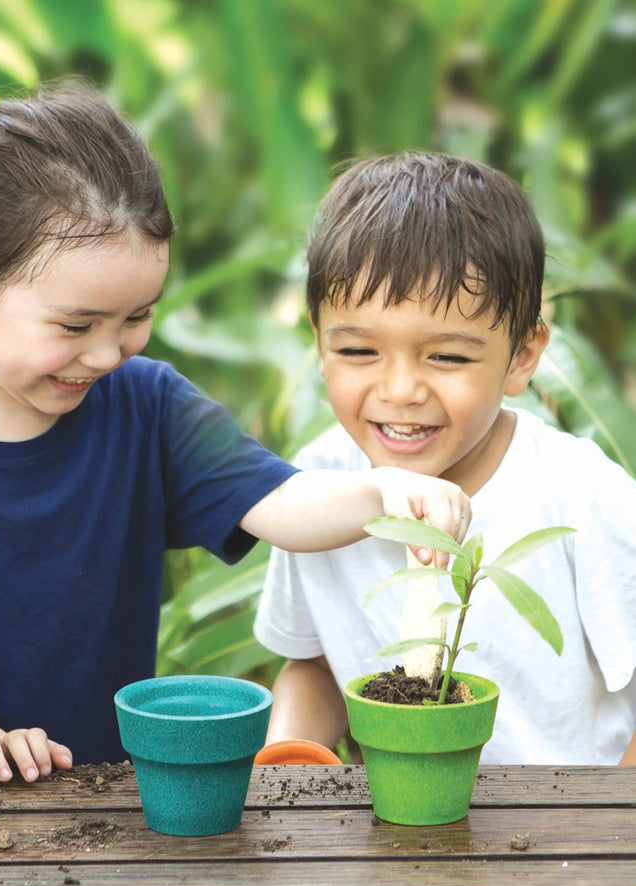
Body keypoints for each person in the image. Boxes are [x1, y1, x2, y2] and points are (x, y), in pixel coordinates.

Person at [0, 85, 471, 784]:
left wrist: (382, 492)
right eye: (76, 326)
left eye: (136, 317)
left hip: (115, 808)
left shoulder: (147, 406)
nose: (109, 354)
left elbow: (282, 504)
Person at [254, 151, 636, 765]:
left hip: (566, 845)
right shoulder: (313, 492)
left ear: (521, 356)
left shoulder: (583, 496)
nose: (400, 390)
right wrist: (288, 759)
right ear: (319, 344)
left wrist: (605, 833)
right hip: (397, 842)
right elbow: (316, 664)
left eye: (448, 357)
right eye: (357, 350)